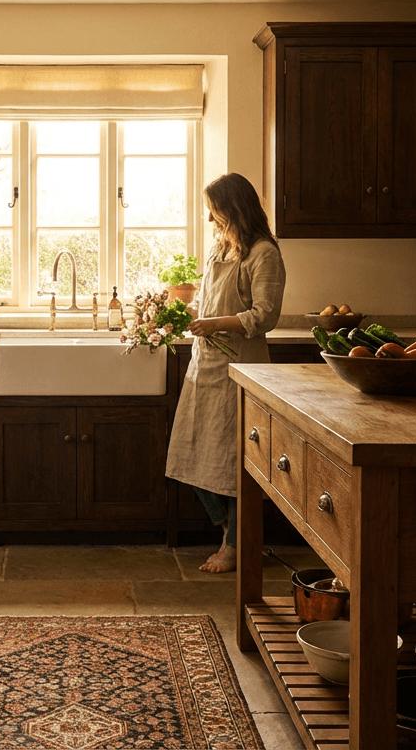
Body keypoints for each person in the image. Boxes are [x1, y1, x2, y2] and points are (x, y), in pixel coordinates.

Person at [166, 173, 286, 573]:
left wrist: (214, 324)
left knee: (234, 461)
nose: (209, 219)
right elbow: (207, 302)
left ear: (235, 209)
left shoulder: (264, 254)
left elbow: (264, 315)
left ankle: (234, 544)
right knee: (190, 454)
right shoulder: (220, 249)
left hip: (241, 369)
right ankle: (235, 533)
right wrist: (174, 313)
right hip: (205, 367)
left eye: (215, 210)